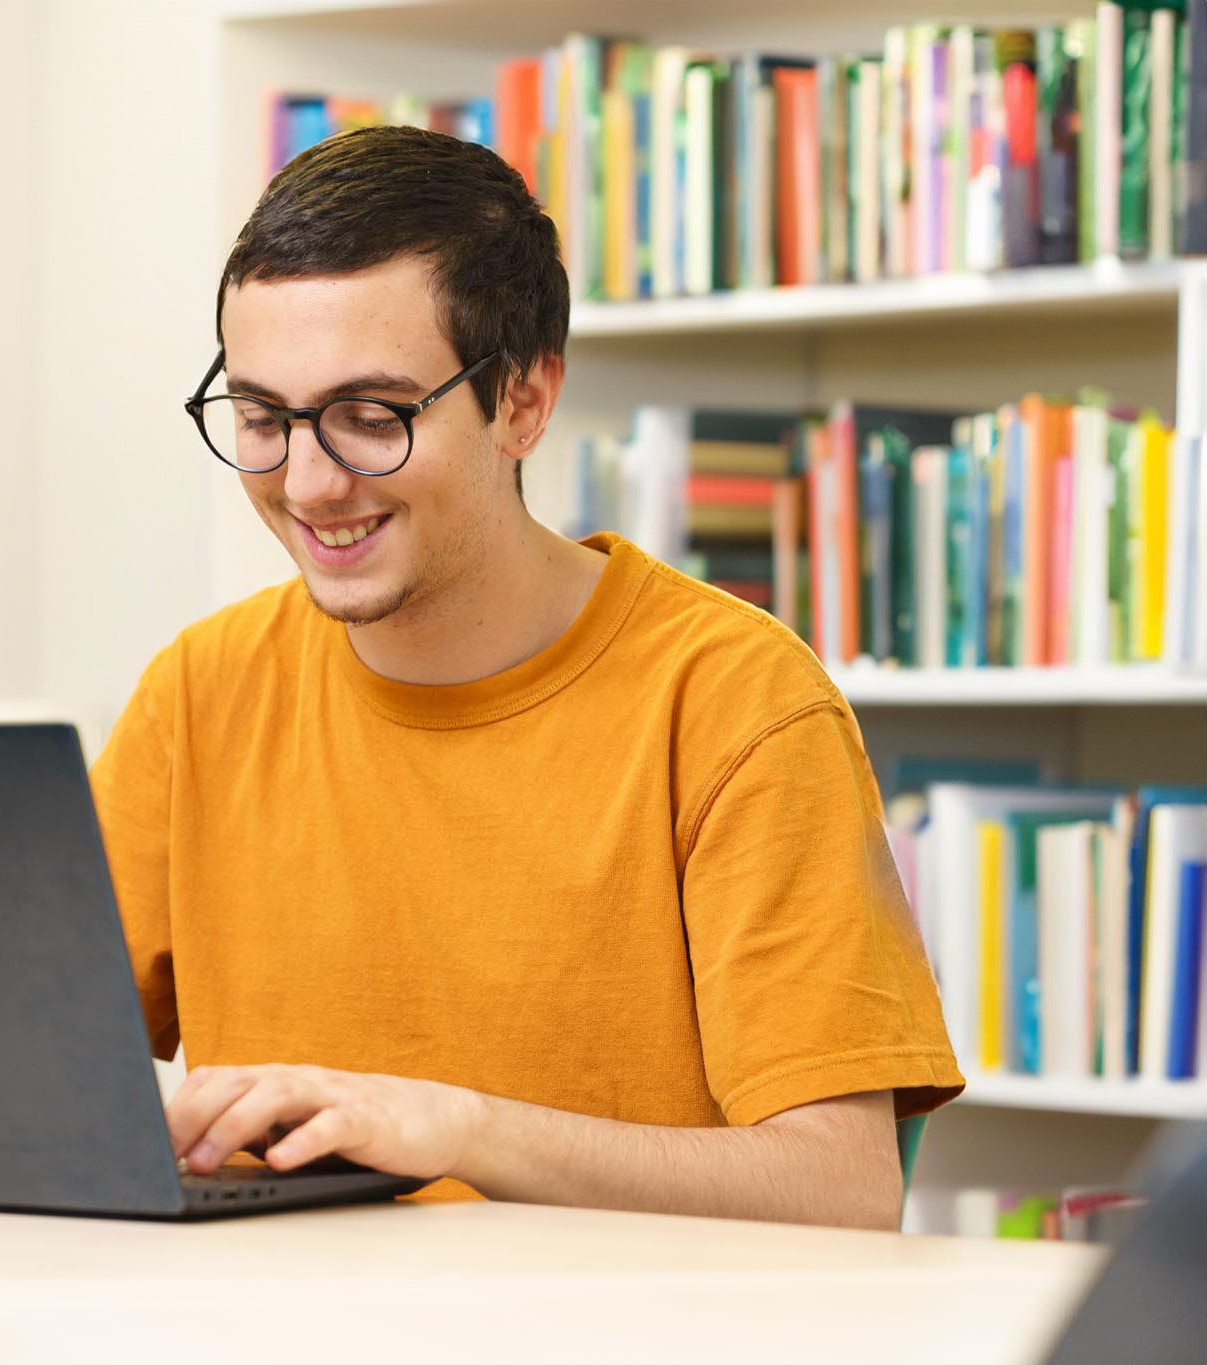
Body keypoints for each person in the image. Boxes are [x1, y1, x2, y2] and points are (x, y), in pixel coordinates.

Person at [87, 124, 963, 1230]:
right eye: (262, 418)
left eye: (369, 418)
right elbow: (25, 1076)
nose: (305, 483)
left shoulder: (733, 701)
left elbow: (840, 1190)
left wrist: (457, 1131)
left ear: (524, 402)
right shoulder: (200, 691)